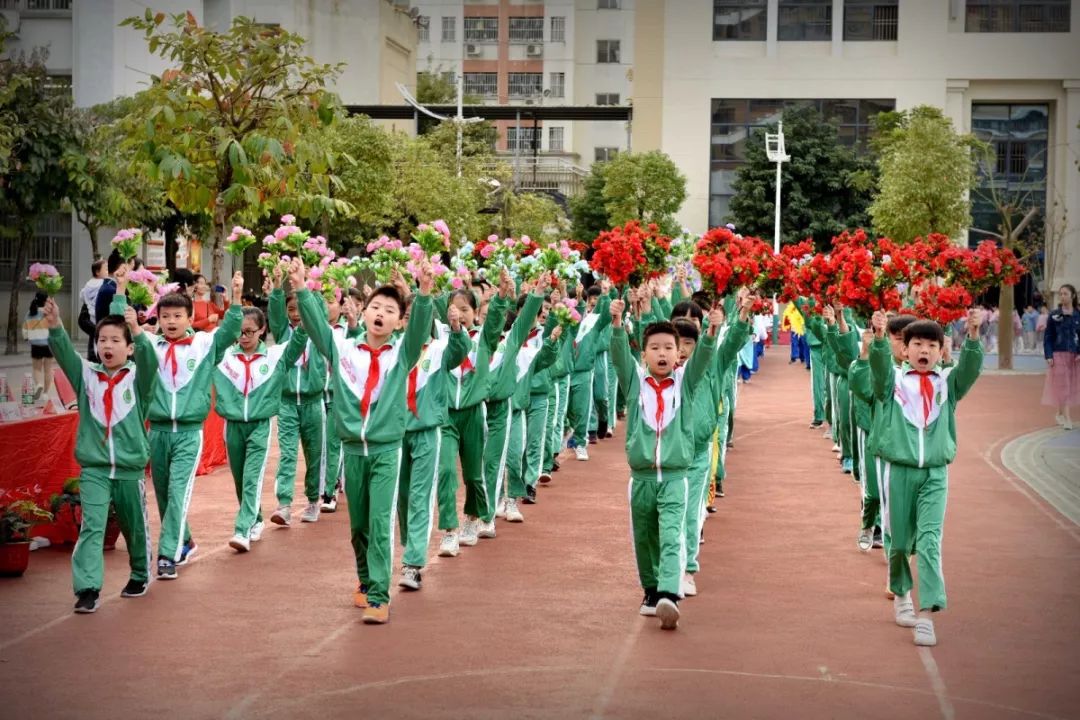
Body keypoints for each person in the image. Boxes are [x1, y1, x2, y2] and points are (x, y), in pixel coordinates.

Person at [290, 256, 434, 625]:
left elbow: (419, 332)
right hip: (353, 450)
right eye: (375, 308)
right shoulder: (344, 350)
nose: (381, 314)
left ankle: (379, 595)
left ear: (399, 320)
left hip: (386, 450)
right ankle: (366, 579)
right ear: (364, 312)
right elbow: (319, 330)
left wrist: (423, 293)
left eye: (390, 310)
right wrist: (302, 289)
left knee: (380, 521)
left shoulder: (401, 354)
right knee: (358, 527)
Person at [868, 308, 983, 647]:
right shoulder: (892, 380)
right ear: (905, 349)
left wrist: (973, 336)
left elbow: (971, 369)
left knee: (930, 541)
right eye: (917, 344)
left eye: (931, 346)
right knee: (900, 541)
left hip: (935, 473)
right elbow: (876, 369)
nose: (924, 351)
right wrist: (877, 339)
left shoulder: (948, 383)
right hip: (898, 470)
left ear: (941, 350)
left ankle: (927, 614)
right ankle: (901, 593)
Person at [609, 297, 719, 631]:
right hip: (640, 478)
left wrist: (713, 329)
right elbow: (618, 358)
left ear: (677, 355)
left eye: (668, 348)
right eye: (654, 348)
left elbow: (702, 358)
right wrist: (616, 324)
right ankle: (652, 590)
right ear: (643, 355)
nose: (662, 353)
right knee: (644, 537)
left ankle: (670, 593)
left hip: (674, 477)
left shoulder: (686, 383)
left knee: (672, 534)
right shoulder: (634, 383)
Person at [44, 293, 158, 613]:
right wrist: (54, 325)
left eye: (114, 340)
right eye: (101, 339)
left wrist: (137, 330)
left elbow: (149, 360)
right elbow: (65, 354)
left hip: (128, 468)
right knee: (92, 525)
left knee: (134, 526)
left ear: (129, 347)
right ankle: (88, 588)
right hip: (94, 467)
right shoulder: (87, 375)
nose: (106, 345)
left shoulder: (139, 378)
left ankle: (139, 573)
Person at [147, 273, 244, 580]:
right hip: (158, 432)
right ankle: (185, 541)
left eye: (177, 315)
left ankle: (167, 555)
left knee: (178, 491)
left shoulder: (203, 344)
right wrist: (123, 292)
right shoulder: (152, 347)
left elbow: (228, 331)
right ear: (159, 319)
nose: (171, 321)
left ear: (190, 317)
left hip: (188, 434)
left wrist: (237, 298)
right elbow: (128, 333)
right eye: (165, 316)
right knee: (163, 494)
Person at [213, 306, 306, 553]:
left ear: (262, 330)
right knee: (240, 479)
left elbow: (297, 342)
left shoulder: (275, 356)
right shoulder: (223, 356)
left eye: (249, 332)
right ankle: (256, 519)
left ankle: (242, 529)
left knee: (251, 479)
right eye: (240, 333)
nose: (243, 337)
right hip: (232, 426)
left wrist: (307, 315)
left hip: (260, 426)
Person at [267, 278, 330, 525]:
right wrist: (275, 288)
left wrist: (310, 285)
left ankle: (313, 500)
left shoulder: (318, 332)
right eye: (291, 309)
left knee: (314, 454)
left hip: (314, 402)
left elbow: (321, 310)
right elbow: (274, 310)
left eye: (300, 309)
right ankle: (284, 504)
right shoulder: (283, 331)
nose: (295, 314)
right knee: (288, 453)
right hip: (287, 403)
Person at [1042, 284, 1080, 430]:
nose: (1062, 296)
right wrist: (1049, 355)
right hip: (1058, 354)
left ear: (1073, 296)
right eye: (1061, 294)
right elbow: (1048, 336)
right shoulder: (1054, 315)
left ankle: (1059, 412)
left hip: (1074, 355)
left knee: (1069, 386)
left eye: (1065, 294)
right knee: (1063, 386)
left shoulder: (1078, 315)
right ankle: (1067, 417)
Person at [23, 293, 54, 400]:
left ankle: (39, 384)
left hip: (35, 344)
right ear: (45, 301)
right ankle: (45, 393)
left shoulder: (30, 313)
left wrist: (26, 337)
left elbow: (24, 328)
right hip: (48, 344)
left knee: (36, 369)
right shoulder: (48, 313)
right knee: (48, 370)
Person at [79, 259, 108, 361]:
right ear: (97, 272)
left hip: (89, 316)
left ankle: (92, 357)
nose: (107, 272)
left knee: (93, 337)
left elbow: (81, 296)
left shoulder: (88, 284)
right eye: (106, 269)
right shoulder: (103, 284)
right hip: (99, 315)